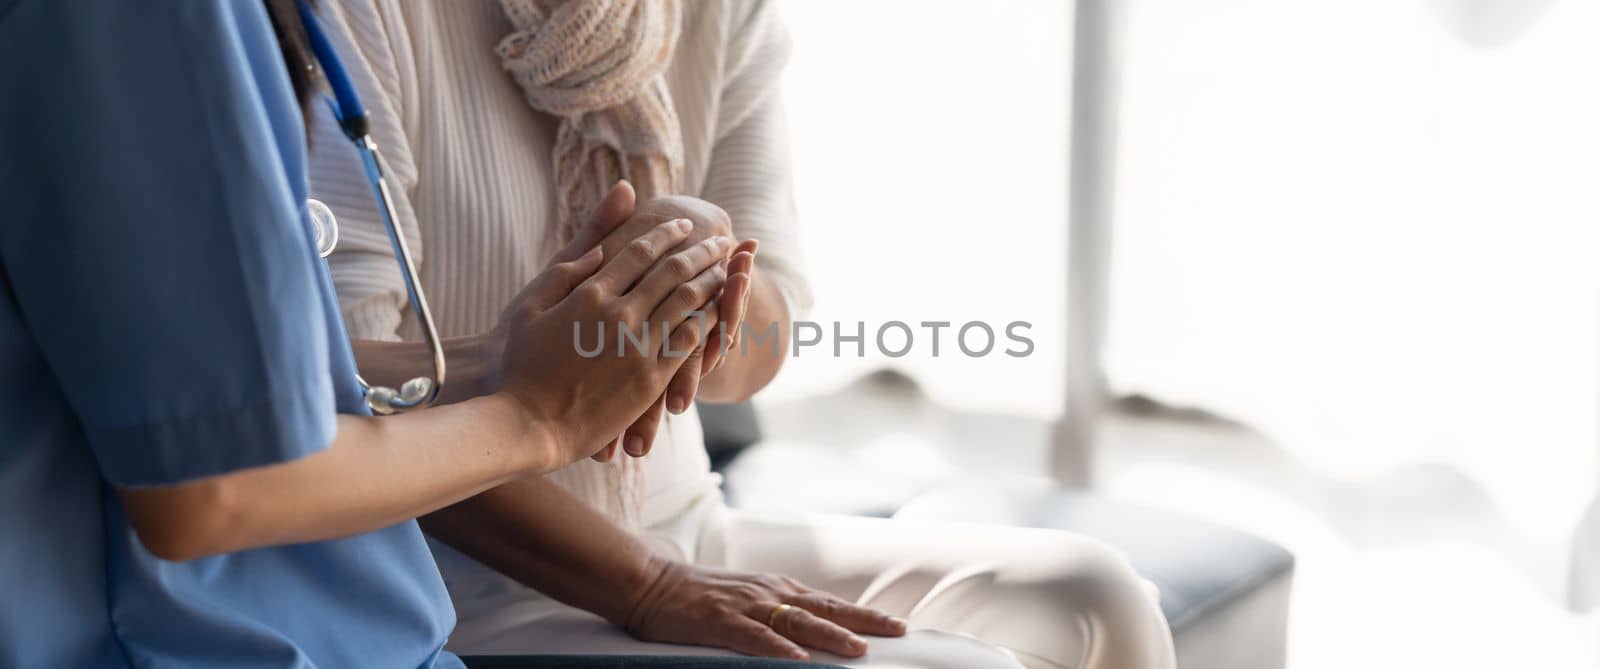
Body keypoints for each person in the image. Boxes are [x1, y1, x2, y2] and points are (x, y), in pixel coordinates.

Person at [306, 1, 1178, 668]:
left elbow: (760, 349)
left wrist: (697, 268)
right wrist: (648, 585)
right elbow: (350, 392)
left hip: (692, 527)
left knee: (1102, 599)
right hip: (468, 584)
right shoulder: (361, 18)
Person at [0, 2, 830, 668]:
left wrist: (675, 292)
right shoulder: (171, 24)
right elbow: (221, 475)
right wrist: (536, 418)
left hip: (380, 609)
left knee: (957, 604)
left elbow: (273, 371)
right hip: (355, 610)